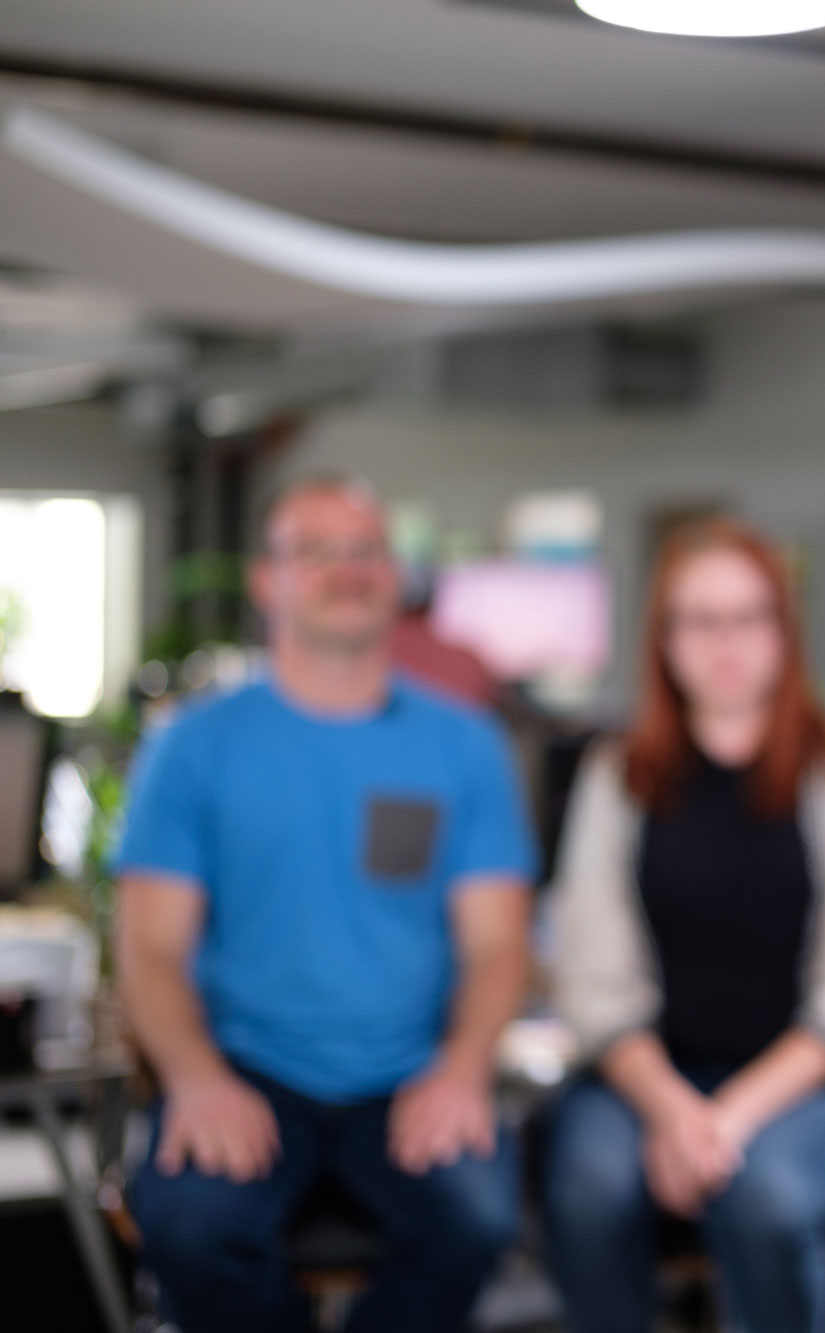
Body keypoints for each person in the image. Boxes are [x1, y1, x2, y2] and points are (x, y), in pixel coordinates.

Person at [117, 476, 536, 1333]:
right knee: (190, 1224)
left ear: (395, 576)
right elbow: (150, 950)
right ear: (267, 581)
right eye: (317, 551)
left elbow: (498, 947)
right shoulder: (192, 746)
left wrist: (460, 1069)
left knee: (480, 1215)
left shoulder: (464, 744)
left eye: (367, 551)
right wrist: (196, 1080)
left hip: (411, 1074)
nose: (348, 570)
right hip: (245, 1069)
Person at [541, 518, 825, 1333]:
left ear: (783, 630)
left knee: (763, 1195)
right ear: (664, 638)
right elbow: (593, 973)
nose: (726, 642)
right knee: (588, 1187)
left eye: (749, 616)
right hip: (650, 1071)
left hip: (823, 1079)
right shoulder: (617, 776)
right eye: (699, 619)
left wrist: (725, 1119)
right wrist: (674, 1110)